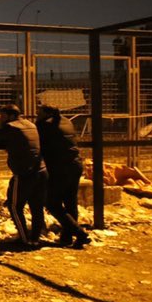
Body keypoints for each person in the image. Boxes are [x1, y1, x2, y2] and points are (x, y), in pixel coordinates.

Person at [0, 104, 47, 248]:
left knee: (14, 206)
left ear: (11, 116)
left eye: (2, 116)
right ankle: (35, 239)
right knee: (37, 206)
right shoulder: (31, 125)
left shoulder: (11, 127)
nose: (0, 119)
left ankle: (24, 240)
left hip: (24, 173)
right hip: (41, 170)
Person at [36, 105, 91, 248]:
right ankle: (67, 237)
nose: (37, 114)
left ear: (46, 113)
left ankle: (80, 233)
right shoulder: (67, 121)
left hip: (60, 167)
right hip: (75, 165)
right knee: (70, 202)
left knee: (52, 203)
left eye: (39, 112)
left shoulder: (44, 125)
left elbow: (37, 142)